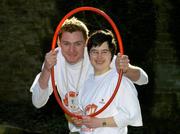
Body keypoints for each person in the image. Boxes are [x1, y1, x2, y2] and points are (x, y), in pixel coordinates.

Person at [30, 17, 148, 133]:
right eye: (66, 44)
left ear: (86, 42)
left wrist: (126, 69)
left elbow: (143, 79)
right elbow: (38, 102)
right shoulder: (54, 59)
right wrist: (46, 69)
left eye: (78, 44)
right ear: (59, 43)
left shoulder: (96, 56)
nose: (72, 50)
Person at [75, 29, 143, 134]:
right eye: (94, 51)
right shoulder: (86, 82)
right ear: (89, 54)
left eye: (104, 52)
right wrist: (79, 119)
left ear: (112, 54)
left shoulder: (119, 81)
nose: (99, 57)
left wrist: (100, 122)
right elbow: (82, 111)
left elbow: (131, 115)